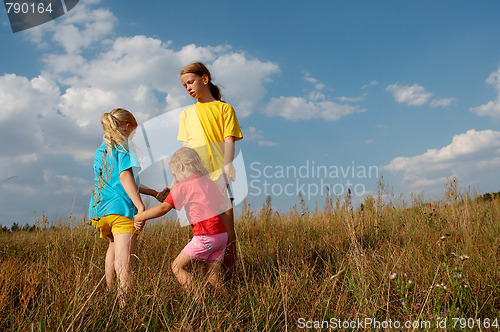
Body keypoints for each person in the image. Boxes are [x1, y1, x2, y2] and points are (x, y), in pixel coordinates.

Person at [88, 108, 166, 306]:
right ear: (128, 127)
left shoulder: (101, 150)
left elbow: (128, 181)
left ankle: (109, 292)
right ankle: (124, 306)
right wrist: (141, 208)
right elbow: (125, 177)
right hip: (121, 209)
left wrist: (155, 194)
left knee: (112, 248)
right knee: (125, 264)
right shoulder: (124, 146)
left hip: (100, 211)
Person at [176, 61, 243, 274]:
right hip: (196, 181)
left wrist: (225, 172)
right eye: (185, 85)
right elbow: (185, 149)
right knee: (202, 235)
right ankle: (208, 282)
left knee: (228, 234)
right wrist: (177, 179)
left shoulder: (224, 108)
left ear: (205, 79)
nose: (188, 88)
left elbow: (229, 141)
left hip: (220, 178)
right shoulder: (186, 114)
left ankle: (230, 278)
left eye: (191, 82)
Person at [134, 147, 229, 292]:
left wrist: (139, 216)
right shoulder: (208, 183)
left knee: (177, 267)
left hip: (205, 237)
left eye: (175, 174)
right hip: (221, 236)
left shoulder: (183, 186)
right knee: (213, 276)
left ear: (181, 167)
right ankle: (226, 302)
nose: (176, 178)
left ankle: (198, 299)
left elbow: (163, 208)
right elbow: (222, 207)